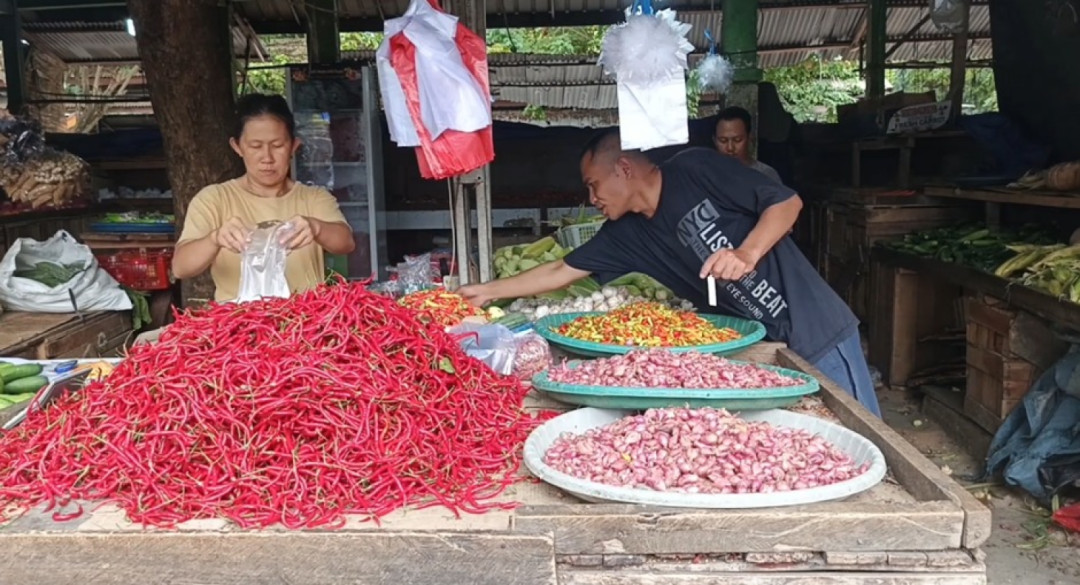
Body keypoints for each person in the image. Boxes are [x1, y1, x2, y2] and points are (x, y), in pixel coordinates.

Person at [458, 129, 881, 417]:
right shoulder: (626, 235)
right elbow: (559, 270)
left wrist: (747, 252)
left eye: (593, 184)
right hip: (766, 345)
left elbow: (786, 203)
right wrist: (487, 292)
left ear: (623, 169)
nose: (592, 198)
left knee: (865, 432)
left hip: (816, 327)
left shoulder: (695, 169)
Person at [171, 94, 356, 302]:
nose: (267, 158)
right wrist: (215, 238)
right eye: (255, 146)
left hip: (305, 324)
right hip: (239, 326)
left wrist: (316, 227)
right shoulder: (213, 199)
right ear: (237, 147)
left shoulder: (314, 198)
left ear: (294, 146)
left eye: (277, 146)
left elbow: (346, 243)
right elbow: (180, 268)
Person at [713, 106, 783, 185]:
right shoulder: (706, 175)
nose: (730, 148)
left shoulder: (765, 175)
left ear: (749, 138)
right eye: (723, 141)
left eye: (737, 140)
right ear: (714, 140)